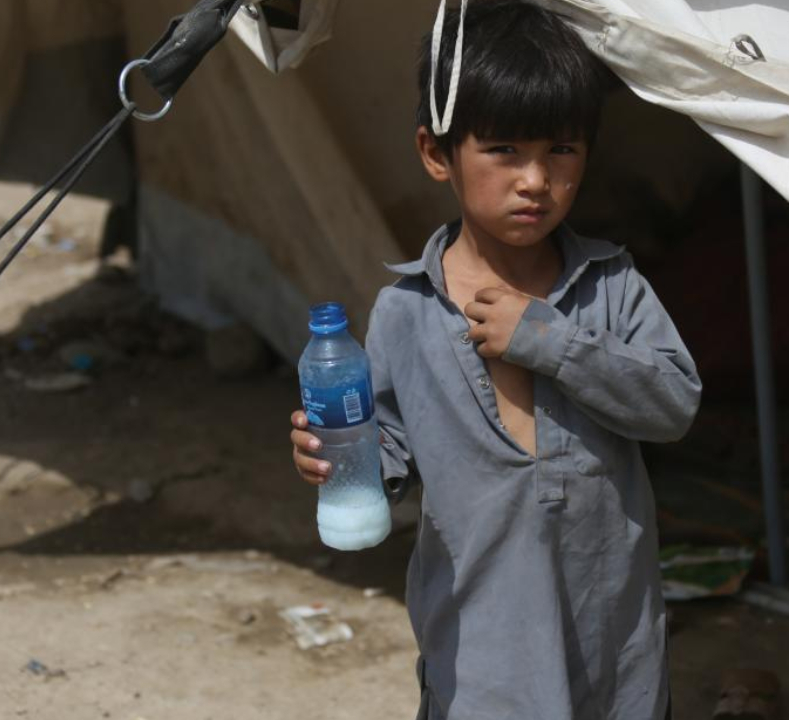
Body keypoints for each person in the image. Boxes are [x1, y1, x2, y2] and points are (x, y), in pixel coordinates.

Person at [291, 1, 701, 717]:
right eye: (505, 150)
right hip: (479, 659)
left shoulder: (611, 288)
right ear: (436, 152)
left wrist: (551, 341)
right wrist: (335, 458)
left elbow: (674, 404)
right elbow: (386, 455)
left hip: (613, 650)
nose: (535, 180)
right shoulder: (406, 313)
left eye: (561, 151)